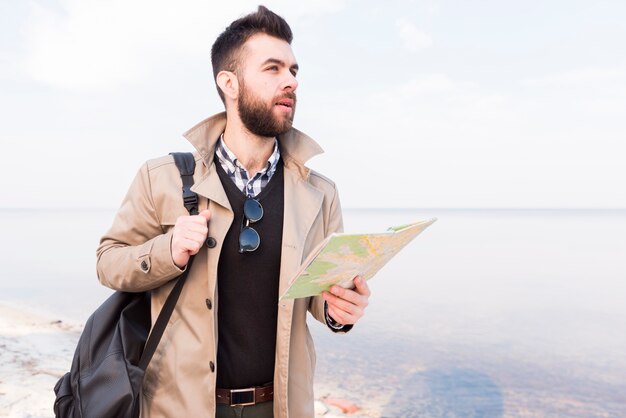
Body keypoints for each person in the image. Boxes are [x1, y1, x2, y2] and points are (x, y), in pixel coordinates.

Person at [96, 5, 370, 418]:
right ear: (230, 82)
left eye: (294, 70)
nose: (291, 82)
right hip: (180, 406)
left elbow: (316, 298)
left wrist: (337, 310)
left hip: (279, 406)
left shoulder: (320, 193)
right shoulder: (161, 178)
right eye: (273, 69)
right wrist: (168, 251)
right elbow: (108, 263)